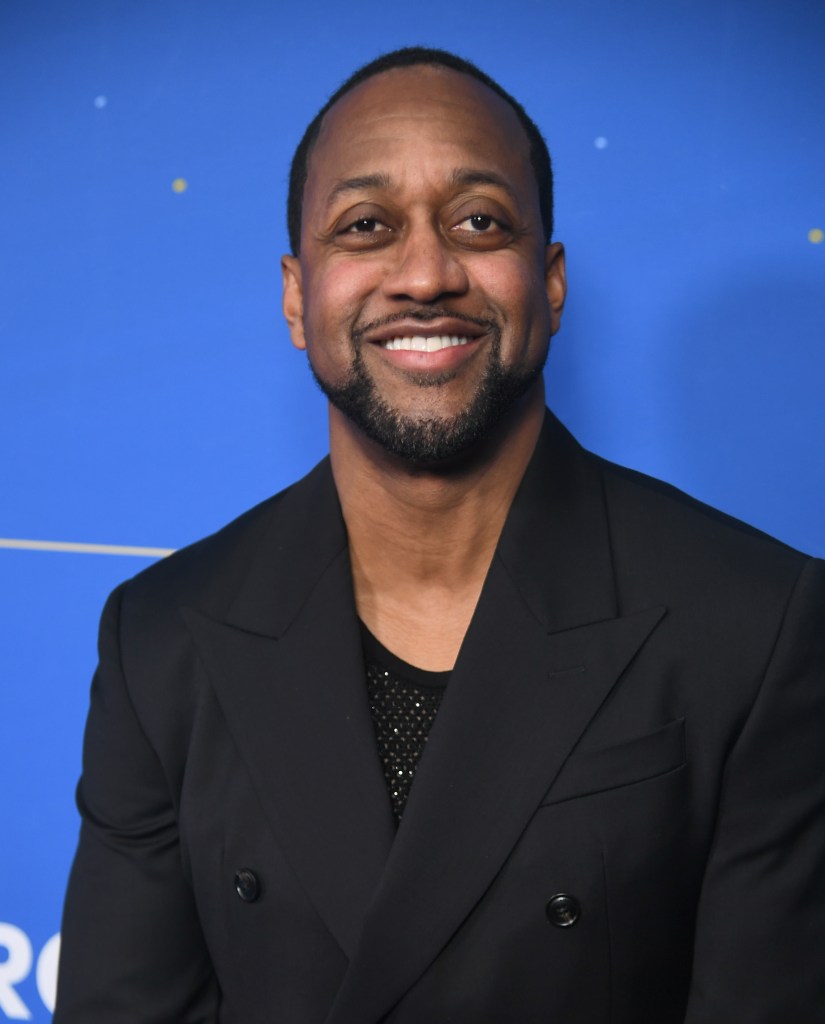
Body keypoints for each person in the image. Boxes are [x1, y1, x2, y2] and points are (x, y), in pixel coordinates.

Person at [54, 47, 825, 1023]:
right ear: (299, 295)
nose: (424, 273)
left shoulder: (756, 625)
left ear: (548, 282)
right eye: (367, 225)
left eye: (479, 221)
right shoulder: (158, 639)